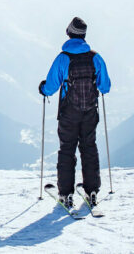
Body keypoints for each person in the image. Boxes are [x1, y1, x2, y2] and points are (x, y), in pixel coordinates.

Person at [39, 17, 111, 209]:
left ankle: (66, 194)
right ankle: (92, 190)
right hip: (90, 112)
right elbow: (106, 86)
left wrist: (43, 89)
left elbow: (51, 86)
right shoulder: (95, 57)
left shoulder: (63, 58)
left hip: (68, 113)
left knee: (67, 150)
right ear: (84, 36)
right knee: (89, 148)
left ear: (69, 34)